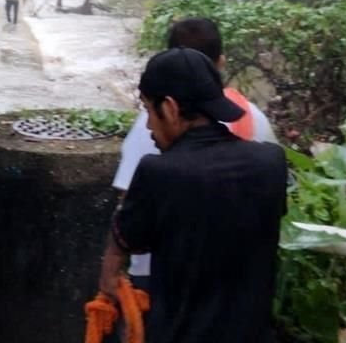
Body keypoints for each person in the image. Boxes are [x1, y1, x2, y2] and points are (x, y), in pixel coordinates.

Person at [100, 48, 288, 342]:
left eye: (149, 110)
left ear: (171, 108)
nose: (149, 125)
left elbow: (130, 239)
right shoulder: (271, 162)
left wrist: (109, 271)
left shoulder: (159, 172)